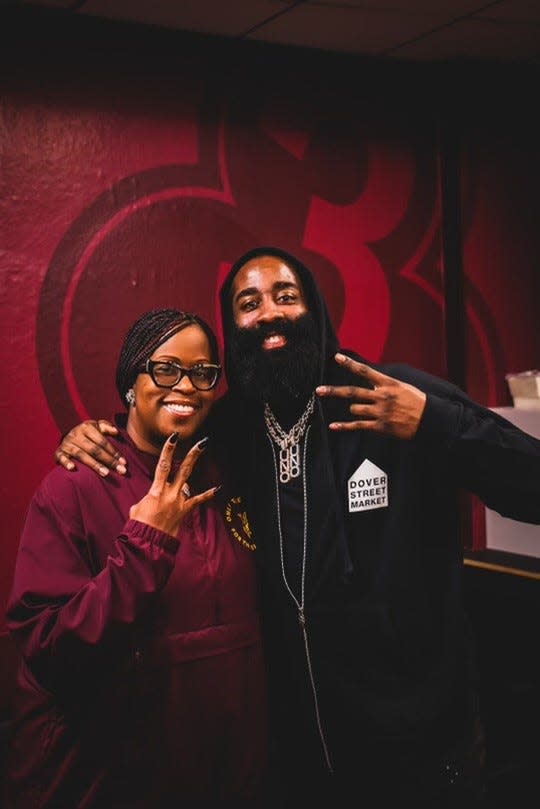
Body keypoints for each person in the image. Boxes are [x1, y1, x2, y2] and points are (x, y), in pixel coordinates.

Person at [54, 248, 540, 808]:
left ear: (314, 309)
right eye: (248, 303)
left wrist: (437, 421)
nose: (268, 314)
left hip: (423, 752)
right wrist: (89, 436)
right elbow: (154, 422)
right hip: (301, 763)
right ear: (232, 329)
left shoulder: (390, 397)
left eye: (286, 295)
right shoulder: (234, 431)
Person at [5, 308, 267, 809]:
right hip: (115, 781)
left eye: (203, 373)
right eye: (165, 369)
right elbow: (48, 648)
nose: (185, 386)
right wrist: (144, 543)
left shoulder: (231, 470)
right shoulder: (78, 484)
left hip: (224, 777)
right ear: (131, 381)